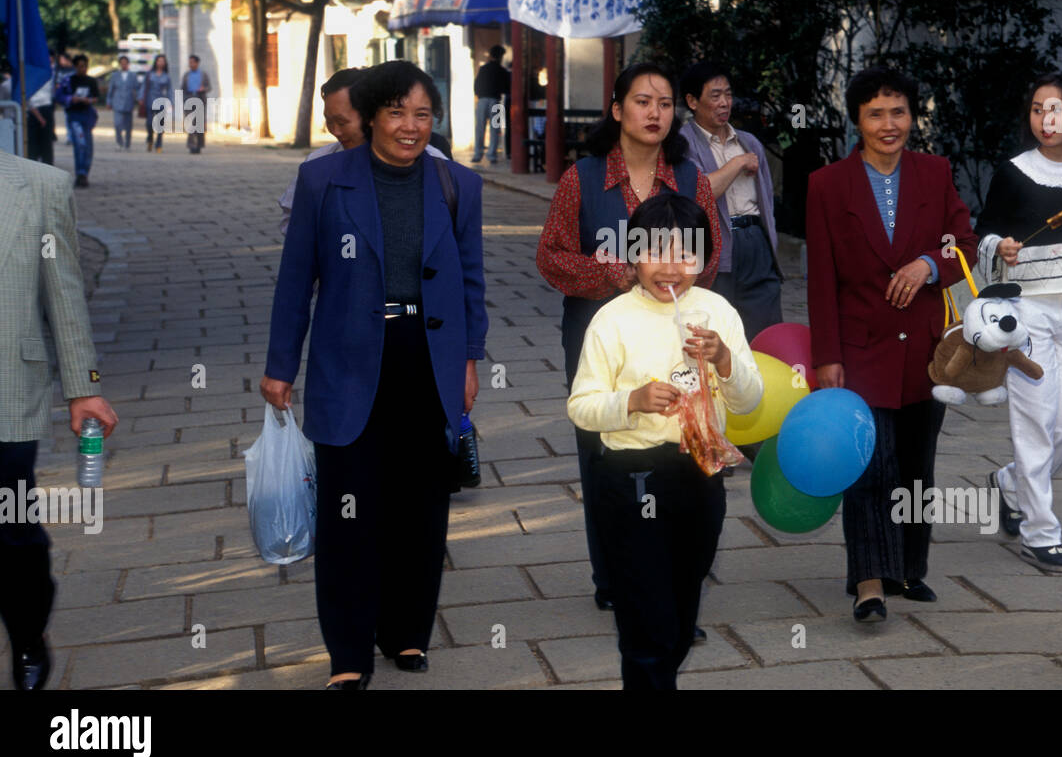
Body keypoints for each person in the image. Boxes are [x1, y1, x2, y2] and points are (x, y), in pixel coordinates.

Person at [262, 59, 487, 689]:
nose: (411, 127)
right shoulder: (322, 181)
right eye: (397, 112)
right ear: (370, 116)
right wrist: (281, 364)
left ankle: (408, 632)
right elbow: (294, 280)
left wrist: (470, 359)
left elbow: (471, 281)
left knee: (420, 504)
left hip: (427, 355)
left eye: (423, 114)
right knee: (349, 507)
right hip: (347, 357)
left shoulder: (457, 186)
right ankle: (350, 652)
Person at [537, 62, 723, 618]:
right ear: (617, 110)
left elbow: (709, 259)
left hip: (675, 333)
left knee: (680, 446)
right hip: (599, 333)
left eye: (665, 104)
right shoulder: (583, 178)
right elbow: (552, 256)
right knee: (602, 450)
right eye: (642, 102)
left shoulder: (690, 181)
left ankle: (675, 567)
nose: (654, 113)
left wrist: (670, 282)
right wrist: (616, 276)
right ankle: (614, 572)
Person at [568, 193, 761, 688]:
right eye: (655, 252)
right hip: (633, 477)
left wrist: (723, 362)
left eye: (685, 254)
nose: (670, 267)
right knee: (645, 612)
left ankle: (659, 669)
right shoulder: (612, 320)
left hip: (699, 473)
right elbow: (582, 406)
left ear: (705, 256)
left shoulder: (717, 311)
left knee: (682, 600)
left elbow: (748, 402)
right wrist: (630, 401)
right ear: (634, 253)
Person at [806, 67, 978, 622]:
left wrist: (930, 263)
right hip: (860, 350)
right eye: (876, 113)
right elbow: (821, 279)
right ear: (857, 119)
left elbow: (965, 246)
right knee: (868, 464)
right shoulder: (828, 184)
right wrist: (827, 356)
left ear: (912, 117)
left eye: (898, 112)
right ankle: (869, 581)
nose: (889, 124)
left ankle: (909, 569)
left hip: (925, 353)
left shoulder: (935, 173)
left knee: (916, 466)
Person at [975, 73, 1062, 574]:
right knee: (1035, 423)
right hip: (1026, 314)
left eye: (1055, 110)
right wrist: (1000, 247)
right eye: (1037, 109)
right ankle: (1040, 532)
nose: (1045, 120)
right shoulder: (1012, 171)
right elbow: (982, 236)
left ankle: (1011, 485)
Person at [0, 147, 120, 689]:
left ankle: (27, 635)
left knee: (11, 527)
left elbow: (64, 294)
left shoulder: (41, 185)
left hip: (8, 389)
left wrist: (83, 389)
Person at [680, 61, 784, 342]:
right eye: (715, 96)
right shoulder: (682, 143)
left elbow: (767, 203)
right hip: (715, 245)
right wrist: (737, 163)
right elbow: (701, 192)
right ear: (692, 101)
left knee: (765, 331)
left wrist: (769, 242)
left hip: (755, 240)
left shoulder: (749, 142)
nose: (725, 102)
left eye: (728, 94)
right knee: (718, 330)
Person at [277, 68, 449, 236]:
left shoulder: (435, 164)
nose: (335, 131)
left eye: (342, 122)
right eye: (329, 121)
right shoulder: (318, 164)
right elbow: (292, 222)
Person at [55, 55, 99, 188]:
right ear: (75, 67)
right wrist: (70, 99)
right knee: (80, 145)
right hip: (74, 116)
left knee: (88, 147)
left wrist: (88, 101)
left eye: (85, 66)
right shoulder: (68, 80)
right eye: (80, 66)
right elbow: (58, 96)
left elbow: (95, 97)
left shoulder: (91, 81)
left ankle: (85, 172)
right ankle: (80, 173)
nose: (83, 69)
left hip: (87, 116)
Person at [471, 44, 510, 165]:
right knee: (495, 129)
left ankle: (478, 154)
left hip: (482, 100)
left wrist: (480, 95)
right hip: (496, 102)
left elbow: (476, 86)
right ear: (501, 57)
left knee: (480, 128)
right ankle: (492, 155)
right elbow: (506, 88)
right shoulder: (503, 71)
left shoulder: (483, 69)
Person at [24, 52, 56, 165]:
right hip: (33, 111)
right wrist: (38, 116)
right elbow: (27, 96)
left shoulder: (51, 72)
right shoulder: (32, 72)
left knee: (46, 145)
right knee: (33, 145)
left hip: (46, 109)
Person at [139, 54, 172, 153]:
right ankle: (150, 138)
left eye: (162, 61)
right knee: (149, 123)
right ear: (156, 62)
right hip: (150, 100)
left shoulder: (167, 76)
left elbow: (169, 90)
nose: (161, 63)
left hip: (162, 101)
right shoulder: (150, 74)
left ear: (165, 63)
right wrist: (141, 98)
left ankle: (159, 144)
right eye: (159, 61)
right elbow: (144, 86)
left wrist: (171, 102)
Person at [106, 55, 139, 150]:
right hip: (117, 102)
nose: (124, 65)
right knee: (117, 124)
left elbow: (137, 88)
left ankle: (128, 143)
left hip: (129, 102)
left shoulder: (133, 76)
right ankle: (119, 142)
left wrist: (138, 99)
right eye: (122, 63)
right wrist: (109, 101)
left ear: (128, 64)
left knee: (128, 125)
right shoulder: (115, 75)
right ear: (120, 64)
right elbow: (111, 89)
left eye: (125, 63)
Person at [182, 54, 212, 154]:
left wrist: (204, 89)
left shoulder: (203, 74)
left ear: (197, 63)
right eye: (189, 62)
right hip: (189, 100)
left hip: (200, 99)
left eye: (192, 62)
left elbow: (209, 87)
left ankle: (199, 145)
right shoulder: (186, 75)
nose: (190, 64)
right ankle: (191, 145)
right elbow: (183, 88)